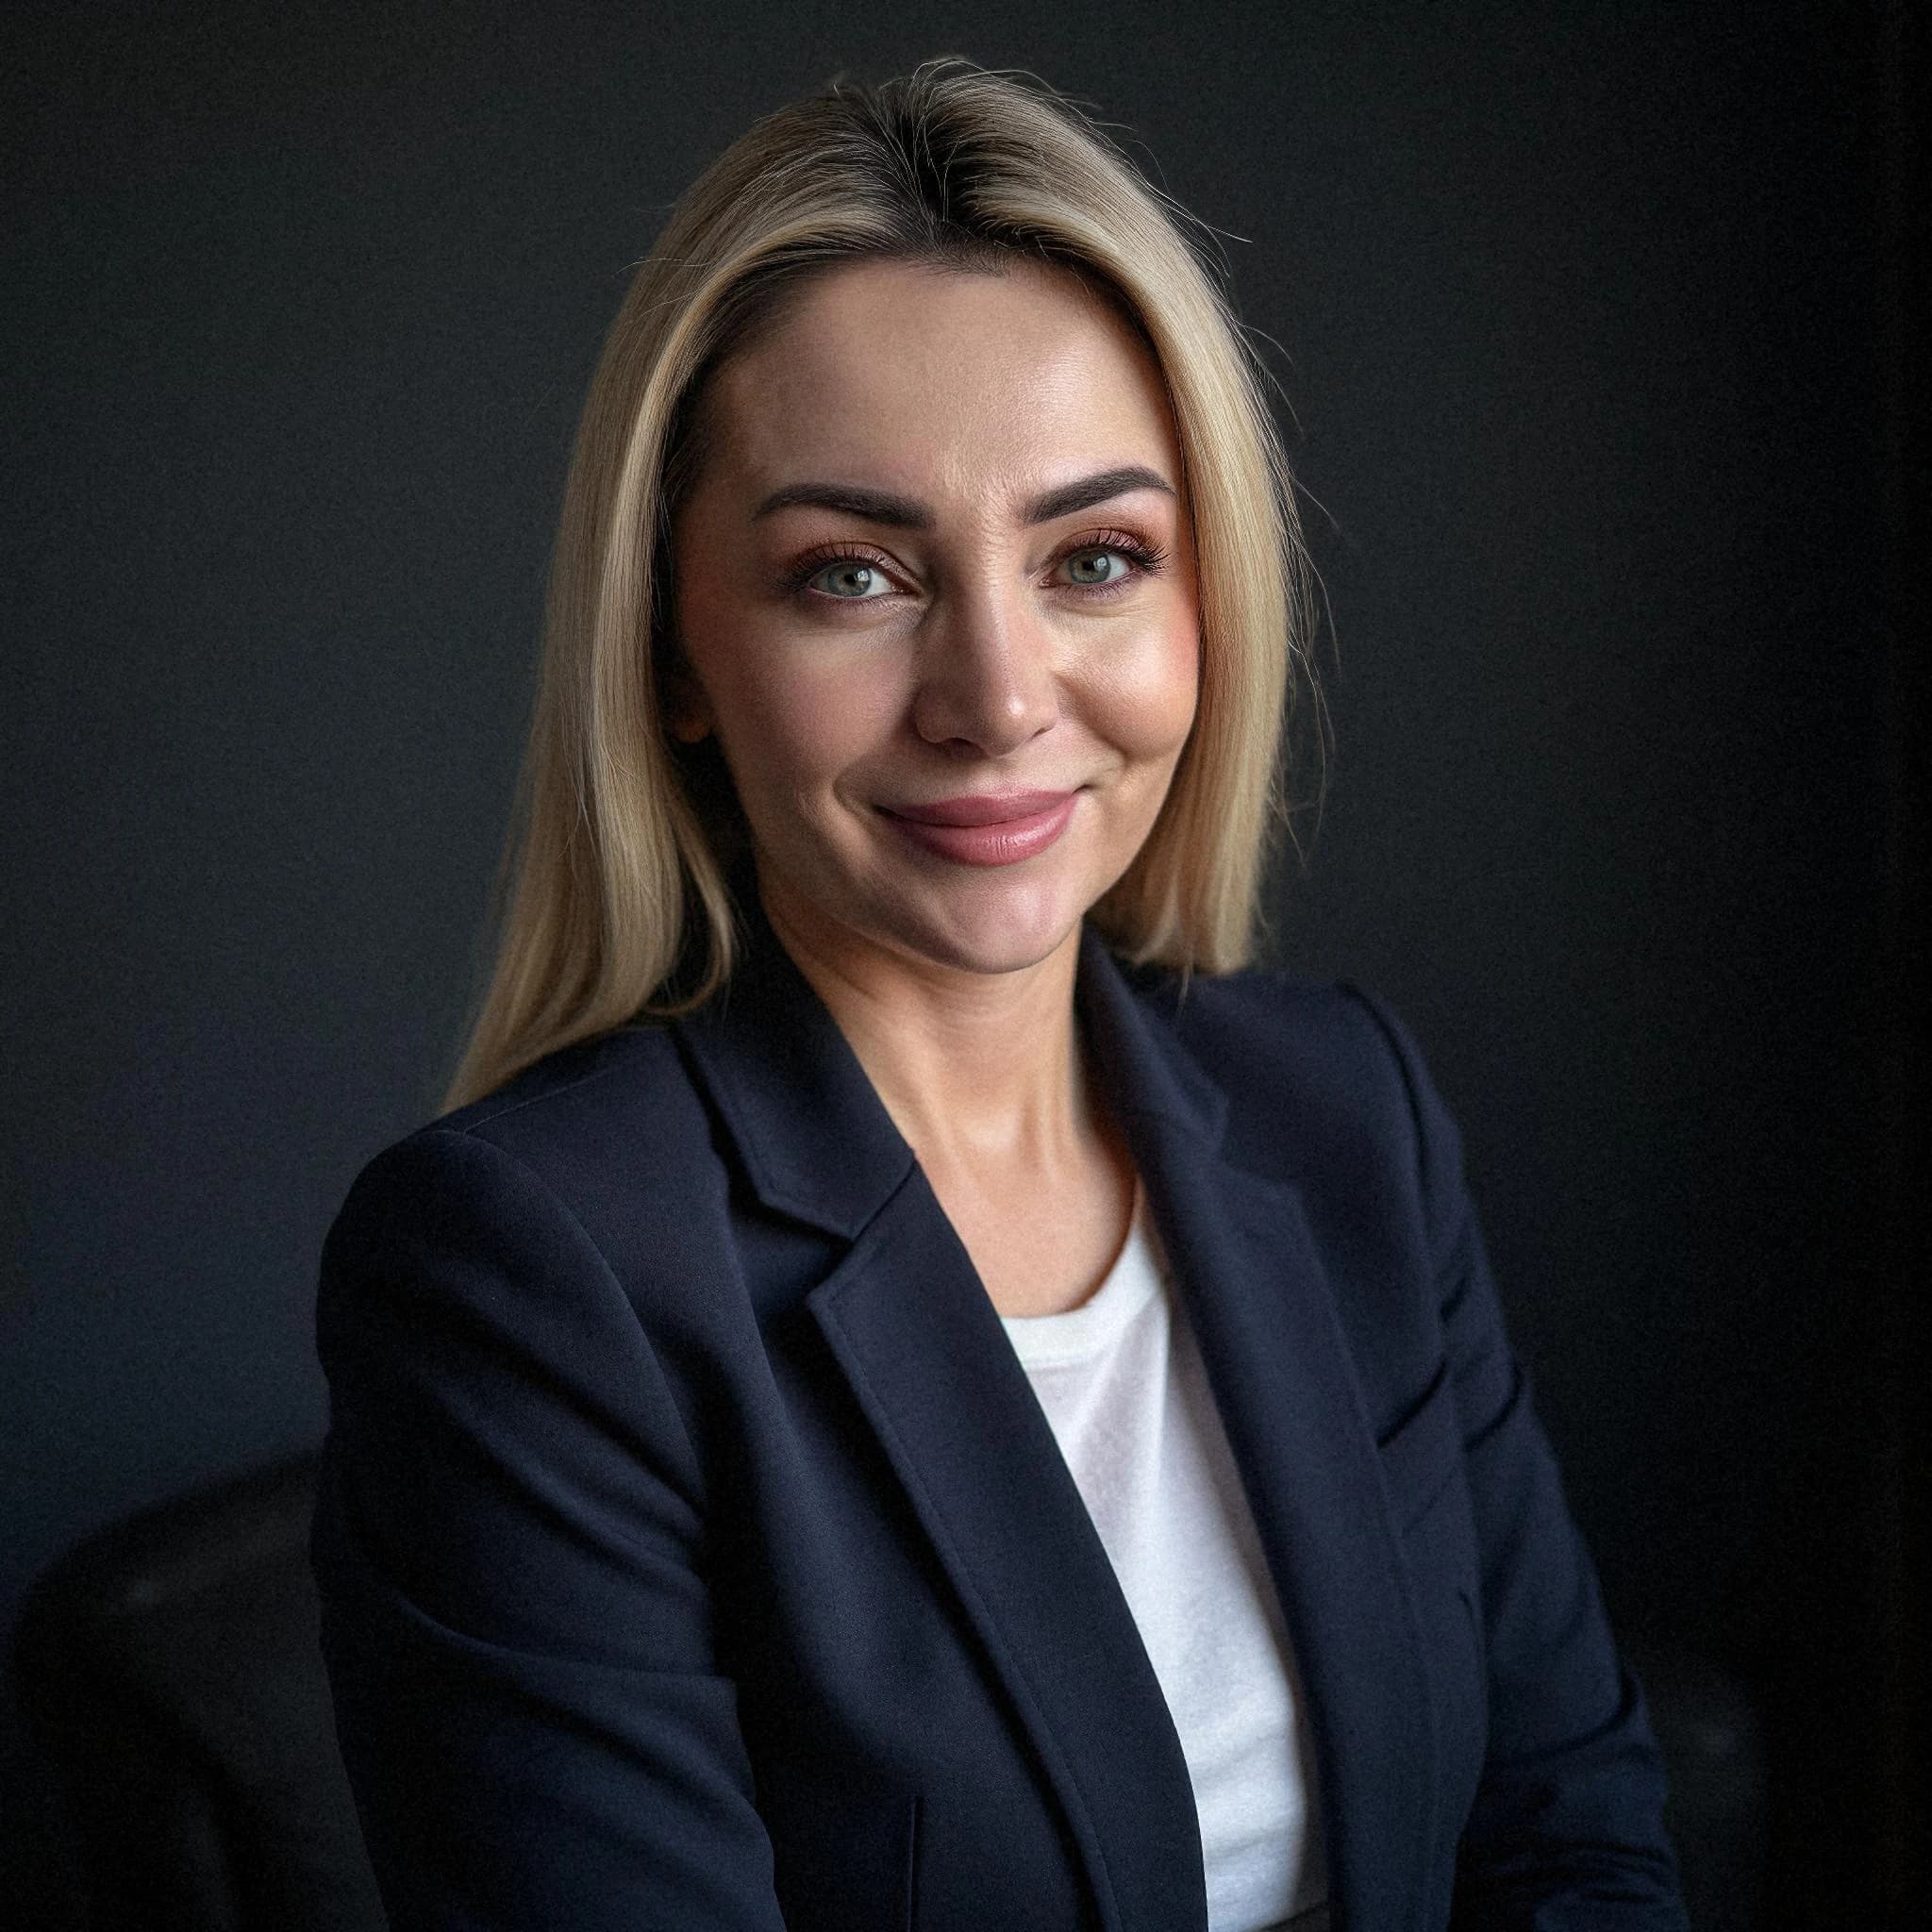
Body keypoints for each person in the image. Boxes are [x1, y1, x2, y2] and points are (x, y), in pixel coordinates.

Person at [309, 57, 1688, 1932]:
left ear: (1208, 602)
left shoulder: (1339, 1110)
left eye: (1094, 559)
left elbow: (1572, 1837)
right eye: (855, 574)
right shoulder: (529, 1273)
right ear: (680, 653)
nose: (1000, 694)